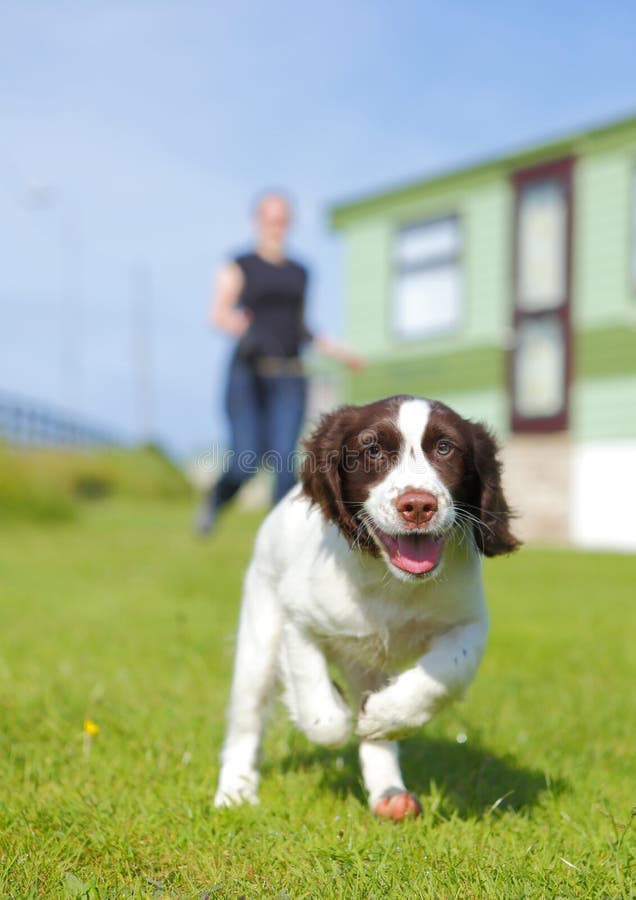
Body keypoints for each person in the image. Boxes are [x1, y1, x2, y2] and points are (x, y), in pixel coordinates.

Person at [197, 191, 363, 534]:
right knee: (246, 460)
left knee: (285, 461)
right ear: (257, 220)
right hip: (249, 374)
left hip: (290, 375)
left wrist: (339, 351)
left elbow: (303, 326)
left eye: (282, 218)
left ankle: (280, 537)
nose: (276, 225)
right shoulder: (239, 263)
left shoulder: (300, 272)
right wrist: (235, 324)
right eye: (269, 217)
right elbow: (219, 314)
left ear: (289, 223)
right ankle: (214, 501)